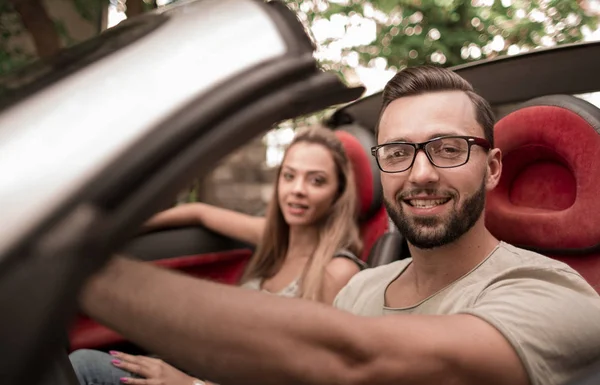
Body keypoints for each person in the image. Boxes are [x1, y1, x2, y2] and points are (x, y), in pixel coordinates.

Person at [77, 65, 600, 385]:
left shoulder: (552, 291)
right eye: (398, 152)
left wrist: (69, 268)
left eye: (448, 149)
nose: (420, 173)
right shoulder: (366, 288)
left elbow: (353, 360)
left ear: (491, 168)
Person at [69, 126, 366, 385]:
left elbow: (312, 378)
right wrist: (116, 231)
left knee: (82, 367)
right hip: (200, 368)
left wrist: (191, 384)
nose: (297, 190)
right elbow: (199, 212)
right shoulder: (274, 237)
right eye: (289, 176)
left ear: (338, 192)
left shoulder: (336, 272)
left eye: (316, 181)